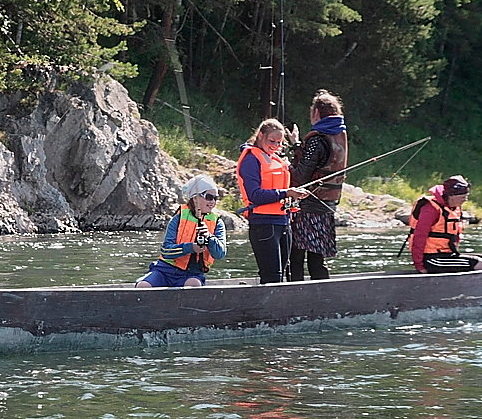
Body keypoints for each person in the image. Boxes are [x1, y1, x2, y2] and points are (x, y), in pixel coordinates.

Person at [236, 119, 310, 284]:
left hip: (283, 222)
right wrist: (287, 192)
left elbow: (299, 173)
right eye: (272, 141)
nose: (275, 146)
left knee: (282, 273)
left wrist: (293, 194)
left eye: (279, 142)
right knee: (272, 276)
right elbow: (255, 195)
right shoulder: (250, 160)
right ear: (261, 135)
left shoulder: (276, 159)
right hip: (263, 224)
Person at [287, 90, 348, 281]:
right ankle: (322, 299)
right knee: (317, 257)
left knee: (296, 256)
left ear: (316, 113)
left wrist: (283, 165)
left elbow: (300, 175)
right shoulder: (339, 135)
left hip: (308, 207)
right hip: (327, 206)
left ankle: (293, 295)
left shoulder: (317, 139)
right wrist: (297, 145)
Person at [137, 175, 228, 287]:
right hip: (164, 271)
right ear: (195, 198)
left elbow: (220, 254)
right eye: (209, 197)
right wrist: (191, 247)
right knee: (143, 286)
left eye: (216, 198)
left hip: (192, 274)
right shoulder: (178, 218)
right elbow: (166, 251)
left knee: (193, 284)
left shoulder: (217, 223)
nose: (213, 202)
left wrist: (209, 237)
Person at [406, 175, 482, 273]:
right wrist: (419, 265)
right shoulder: (430, 209)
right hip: (431, 259)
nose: (465, 200)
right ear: (452, 196)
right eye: (463, 197)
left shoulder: (454, 208)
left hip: (447, 255)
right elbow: (419, 236)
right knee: (480, 264)